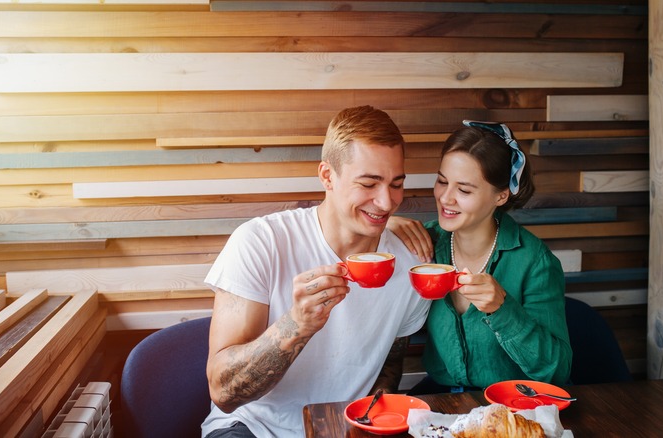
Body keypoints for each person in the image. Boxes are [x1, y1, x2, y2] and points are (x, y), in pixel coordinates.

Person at [202, 106, 431, 438]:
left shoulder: (411, 259)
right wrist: (297, 324)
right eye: (369, 183)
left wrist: (370, 420)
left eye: (396, 184)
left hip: (345, 429)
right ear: (327, 176)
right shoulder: (259, 242)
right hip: (250, 428)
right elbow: (224, 392)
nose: (386, 202)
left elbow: (390, 363)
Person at [388, 120, 572, 394]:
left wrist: (503, 309)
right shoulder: (424, 243)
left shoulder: (535, 262)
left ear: (500, 195)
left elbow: (557, 371)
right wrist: (384, 228)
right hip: (441, 400)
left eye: (464, 190)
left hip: (513, 405)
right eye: (442, 181)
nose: (446, 198)